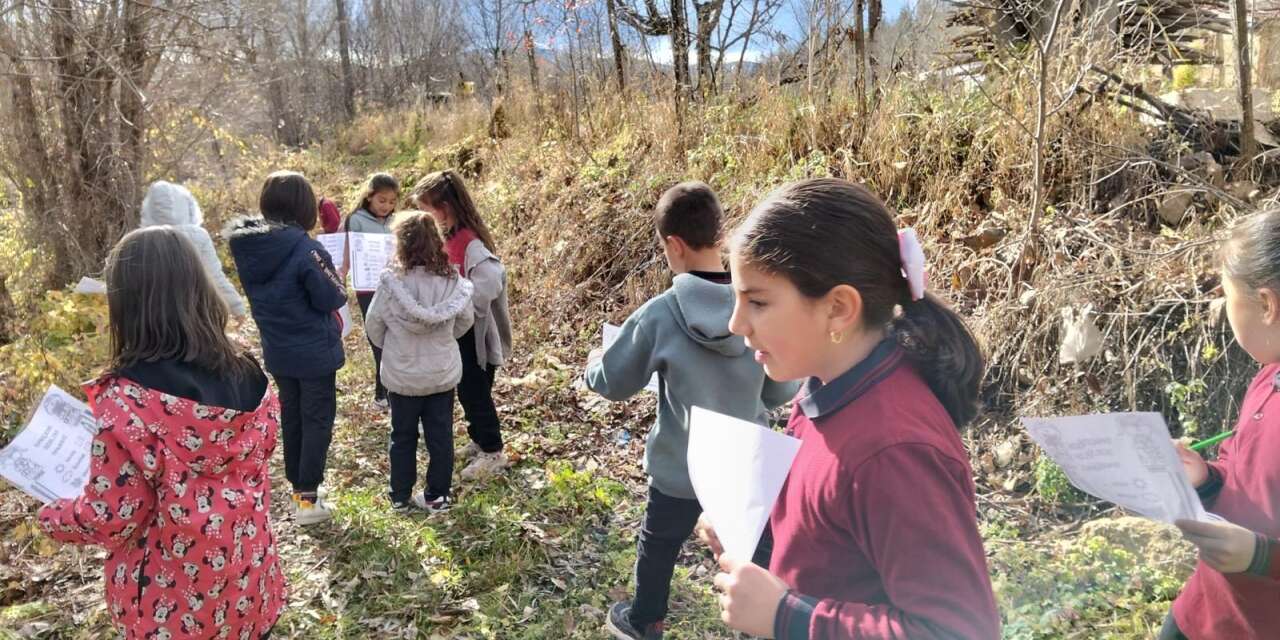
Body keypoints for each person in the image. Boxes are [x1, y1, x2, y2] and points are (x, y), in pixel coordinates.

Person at [699, 177, 1001, 639]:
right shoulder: (827, 384)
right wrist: (756, 539)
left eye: (757, 301)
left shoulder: (895, 449)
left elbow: (959, 631)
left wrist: (787, 617)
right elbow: (829, 535)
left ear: (838, 309)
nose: (736, 323)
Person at [38, 226, 285, 640]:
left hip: (170, 606)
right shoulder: (249, 370)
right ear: (199, 285)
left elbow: (112, 517)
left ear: (125, 303)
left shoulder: (127, 400)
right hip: (248, 581)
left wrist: (52, 515)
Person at [585, 182, 798, 640]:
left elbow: (615, 382)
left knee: (659, 544)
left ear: (673, 245)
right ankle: (759, 628)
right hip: (747, 463)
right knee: (755, 553)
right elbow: (780, 393)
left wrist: (592, 366)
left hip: (682, 465)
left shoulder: (660, 314)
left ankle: (645, 621)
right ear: (720, 236)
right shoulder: (758, 304)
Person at [1164, 207, 1280, 640]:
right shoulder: (1270, 375)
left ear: (1266, 304)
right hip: (1205, 608)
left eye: (1227, 296)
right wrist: (1206, 477)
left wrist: (1260, 556)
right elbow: (1246, 476)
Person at [227, 171, 348, 525]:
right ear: (304, 206)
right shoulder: (306, 249)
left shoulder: (247, 247)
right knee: (317, 420)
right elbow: (331, 297)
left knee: (293, 417)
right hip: (313, 351)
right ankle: (308, 500)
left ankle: (300, 491)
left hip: (278, 350)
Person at [365, 211, 474, 513]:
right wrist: (443, 338)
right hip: (440, 372)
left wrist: (394, 346)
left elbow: (374, 325)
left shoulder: (391, 284)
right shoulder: (453, 283)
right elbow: (464, 321)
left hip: (402, 375)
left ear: (400, 244)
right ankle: (437, 495)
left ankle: (400, 495)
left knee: (402, 435)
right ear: (437, 242)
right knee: (440, 435)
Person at [411, 170, 512, 480]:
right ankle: (479, 440)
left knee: (475, 392)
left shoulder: (470, 241)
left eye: (426, 209)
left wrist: (460, 307)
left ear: (446, 206)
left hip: (473, 335)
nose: (423, 216)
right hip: (457, 331)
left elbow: (491, 280)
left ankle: (493, 451)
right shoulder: (449, 236)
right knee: (466, 391)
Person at [139, 180, 247, 318]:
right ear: (185, 205)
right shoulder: (198, 236)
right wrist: (236, 306)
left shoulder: (139, 240)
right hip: (194, 315)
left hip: (151, 318)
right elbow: (215, 277)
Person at [346, 173, 401, 410]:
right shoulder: (356, 219)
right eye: (382, 200)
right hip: (368, 287)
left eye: (391, 201)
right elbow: (349, 252)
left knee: (396, 337)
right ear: (369, 196)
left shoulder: (396, 220)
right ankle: (382, 392)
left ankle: (394, 389)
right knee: (377, 337)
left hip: (395, 285)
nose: (386, 206)